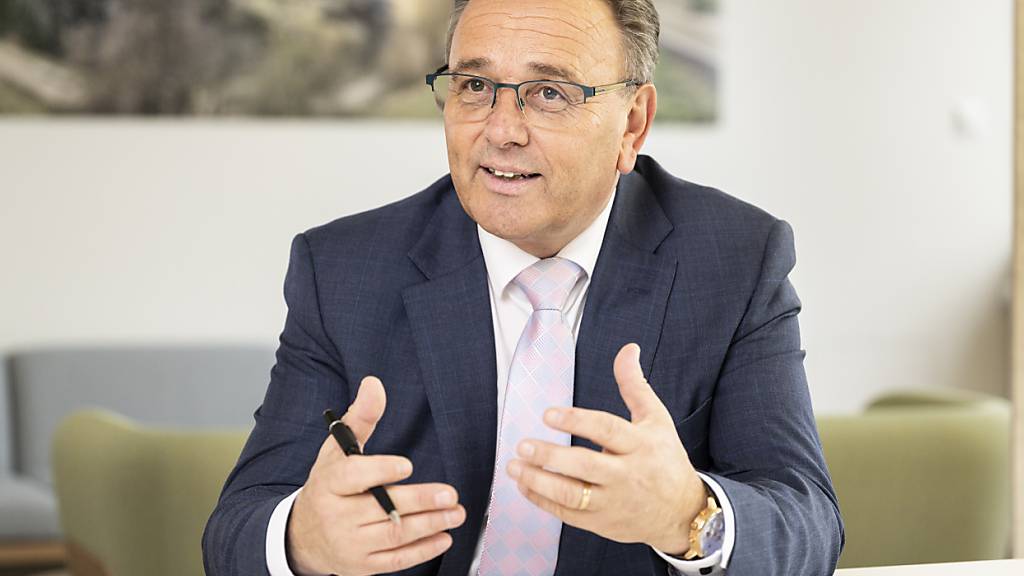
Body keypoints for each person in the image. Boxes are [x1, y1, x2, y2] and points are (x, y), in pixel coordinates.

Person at [203, 0, 845, 574]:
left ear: (632, 125)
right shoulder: (343, 268)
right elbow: (235, 531)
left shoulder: (735, 260)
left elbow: (808, 524)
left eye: (549, 93)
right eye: (476, 86)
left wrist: (689, 515)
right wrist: (304, 541)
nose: (501, 130)